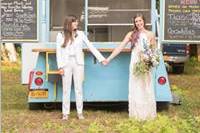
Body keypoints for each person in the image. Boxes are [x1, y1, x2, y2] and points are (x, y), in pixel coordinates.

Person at [103, 13, 157, 120]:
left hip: (146, 63)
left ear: (144, 21)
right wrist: (108, 59)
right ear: (134, 23)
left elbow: (154, 50)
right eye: (136, 21)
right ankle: (137, 114)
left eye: (140, 21)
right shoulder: (131, 34)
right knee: (136, 86)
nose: (138, 23)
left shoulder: (150, 34)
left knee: (146, 86)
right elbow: (120, 47)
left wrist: (150, 61)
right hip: (135, 62)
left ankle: (147, 114)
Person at [56, 15, 105, 120]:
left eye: (77, 22)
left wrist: (101, 59)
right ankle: (65, 113)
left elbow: (90, 46)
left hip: (78, 63)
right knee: (66, 89)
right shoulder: (60, 35)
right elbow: (58, 52)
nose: (76, 24)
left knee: (79, 89)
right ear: (69, 23)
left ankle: (80, 113)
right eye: (74, 22)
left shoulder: (81, 34)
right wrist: (60, 67)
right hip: (66, 64)